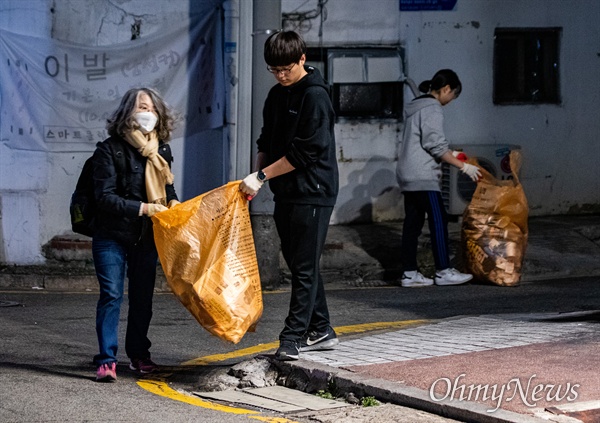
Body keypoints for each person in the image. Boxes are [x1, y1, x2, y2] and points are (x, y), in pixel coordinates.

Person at [239, 31, 339, 361]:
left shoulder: (316, 97)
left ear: (302, 59)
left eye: (287, 69)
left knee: (305, 267)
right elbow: (266, 142)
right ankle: (322, 329)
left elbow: (304, 154)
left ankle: (292, 337)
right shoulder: (276, 95)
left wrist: (262, 176)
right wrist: (255, 175)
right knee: (300, 263)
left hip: (314, 191)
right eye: (274, 70)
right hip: (286, 192)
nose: (281, 76)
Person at [91, 88, 180, 382]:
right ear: (127, 112)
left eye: (153, 109)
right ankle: (106, 359)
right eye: (142, 107)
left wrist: (174, 203)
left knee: (142, 299)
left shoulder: (161, 150)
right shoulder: (109, 149)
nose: (148, 114)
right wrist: (143, 208)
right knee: (112, 295)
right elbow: (104, 197)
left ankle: (139, 355)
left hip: (146, 236)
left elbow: (167, 191)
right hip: (111, 235)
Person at [396, 69, 481, 288]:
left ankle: (409, 273)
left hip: (408, 173)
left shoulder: (416, 106)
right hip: (423, 175)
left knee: (412, 224)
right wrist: (463, 166)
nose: (451, 100)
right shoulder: (432, 108)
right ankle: (443, 270)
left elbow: (424, 142)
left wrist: (449, 154)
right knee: (438, 220)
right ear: (445, 89)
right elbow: (434, 144)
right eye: (452, 95)